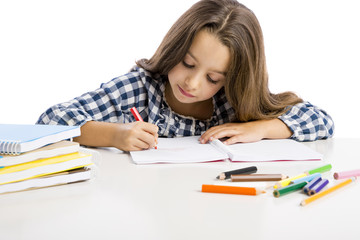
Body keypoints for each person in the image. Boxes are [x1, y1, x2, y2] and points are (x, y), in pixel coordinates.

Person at [37, 0, 334, 151]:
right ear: (175, 48)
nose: (192, 83)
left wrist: (261, 128)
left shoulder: (233, 103)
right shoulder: (139, 89)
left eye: (214, 78)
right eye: (188, 63)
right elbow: (49, 122)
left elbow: (321, 120)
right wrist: (114, 135)